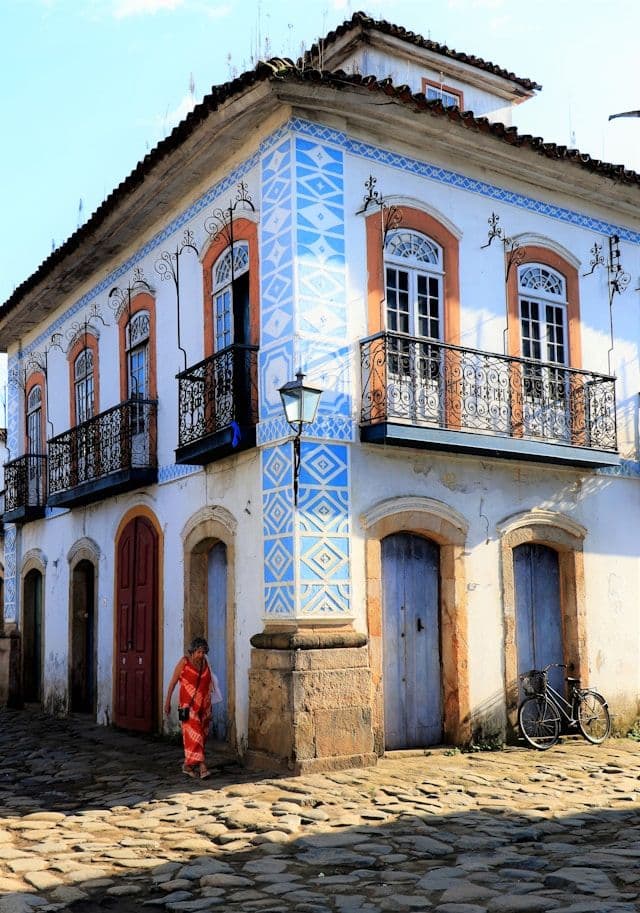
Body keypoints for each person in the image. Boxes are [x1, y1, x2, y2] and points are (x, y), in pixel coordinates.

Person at [164, 636, 215, 779]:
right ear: (192, 652)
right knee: (195, 735)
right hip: (185, 708)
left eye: (203, 652)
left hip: (203, 707)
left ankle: (187, 766)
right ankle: (202, 766)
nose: (201, 655)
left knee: (202, 736)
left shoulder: (205, 663)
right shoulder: (184, 663)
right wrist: (167, 702)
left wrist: (210, 707)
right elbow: (173, 683)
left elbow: (209, 685)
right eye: (198, 652)